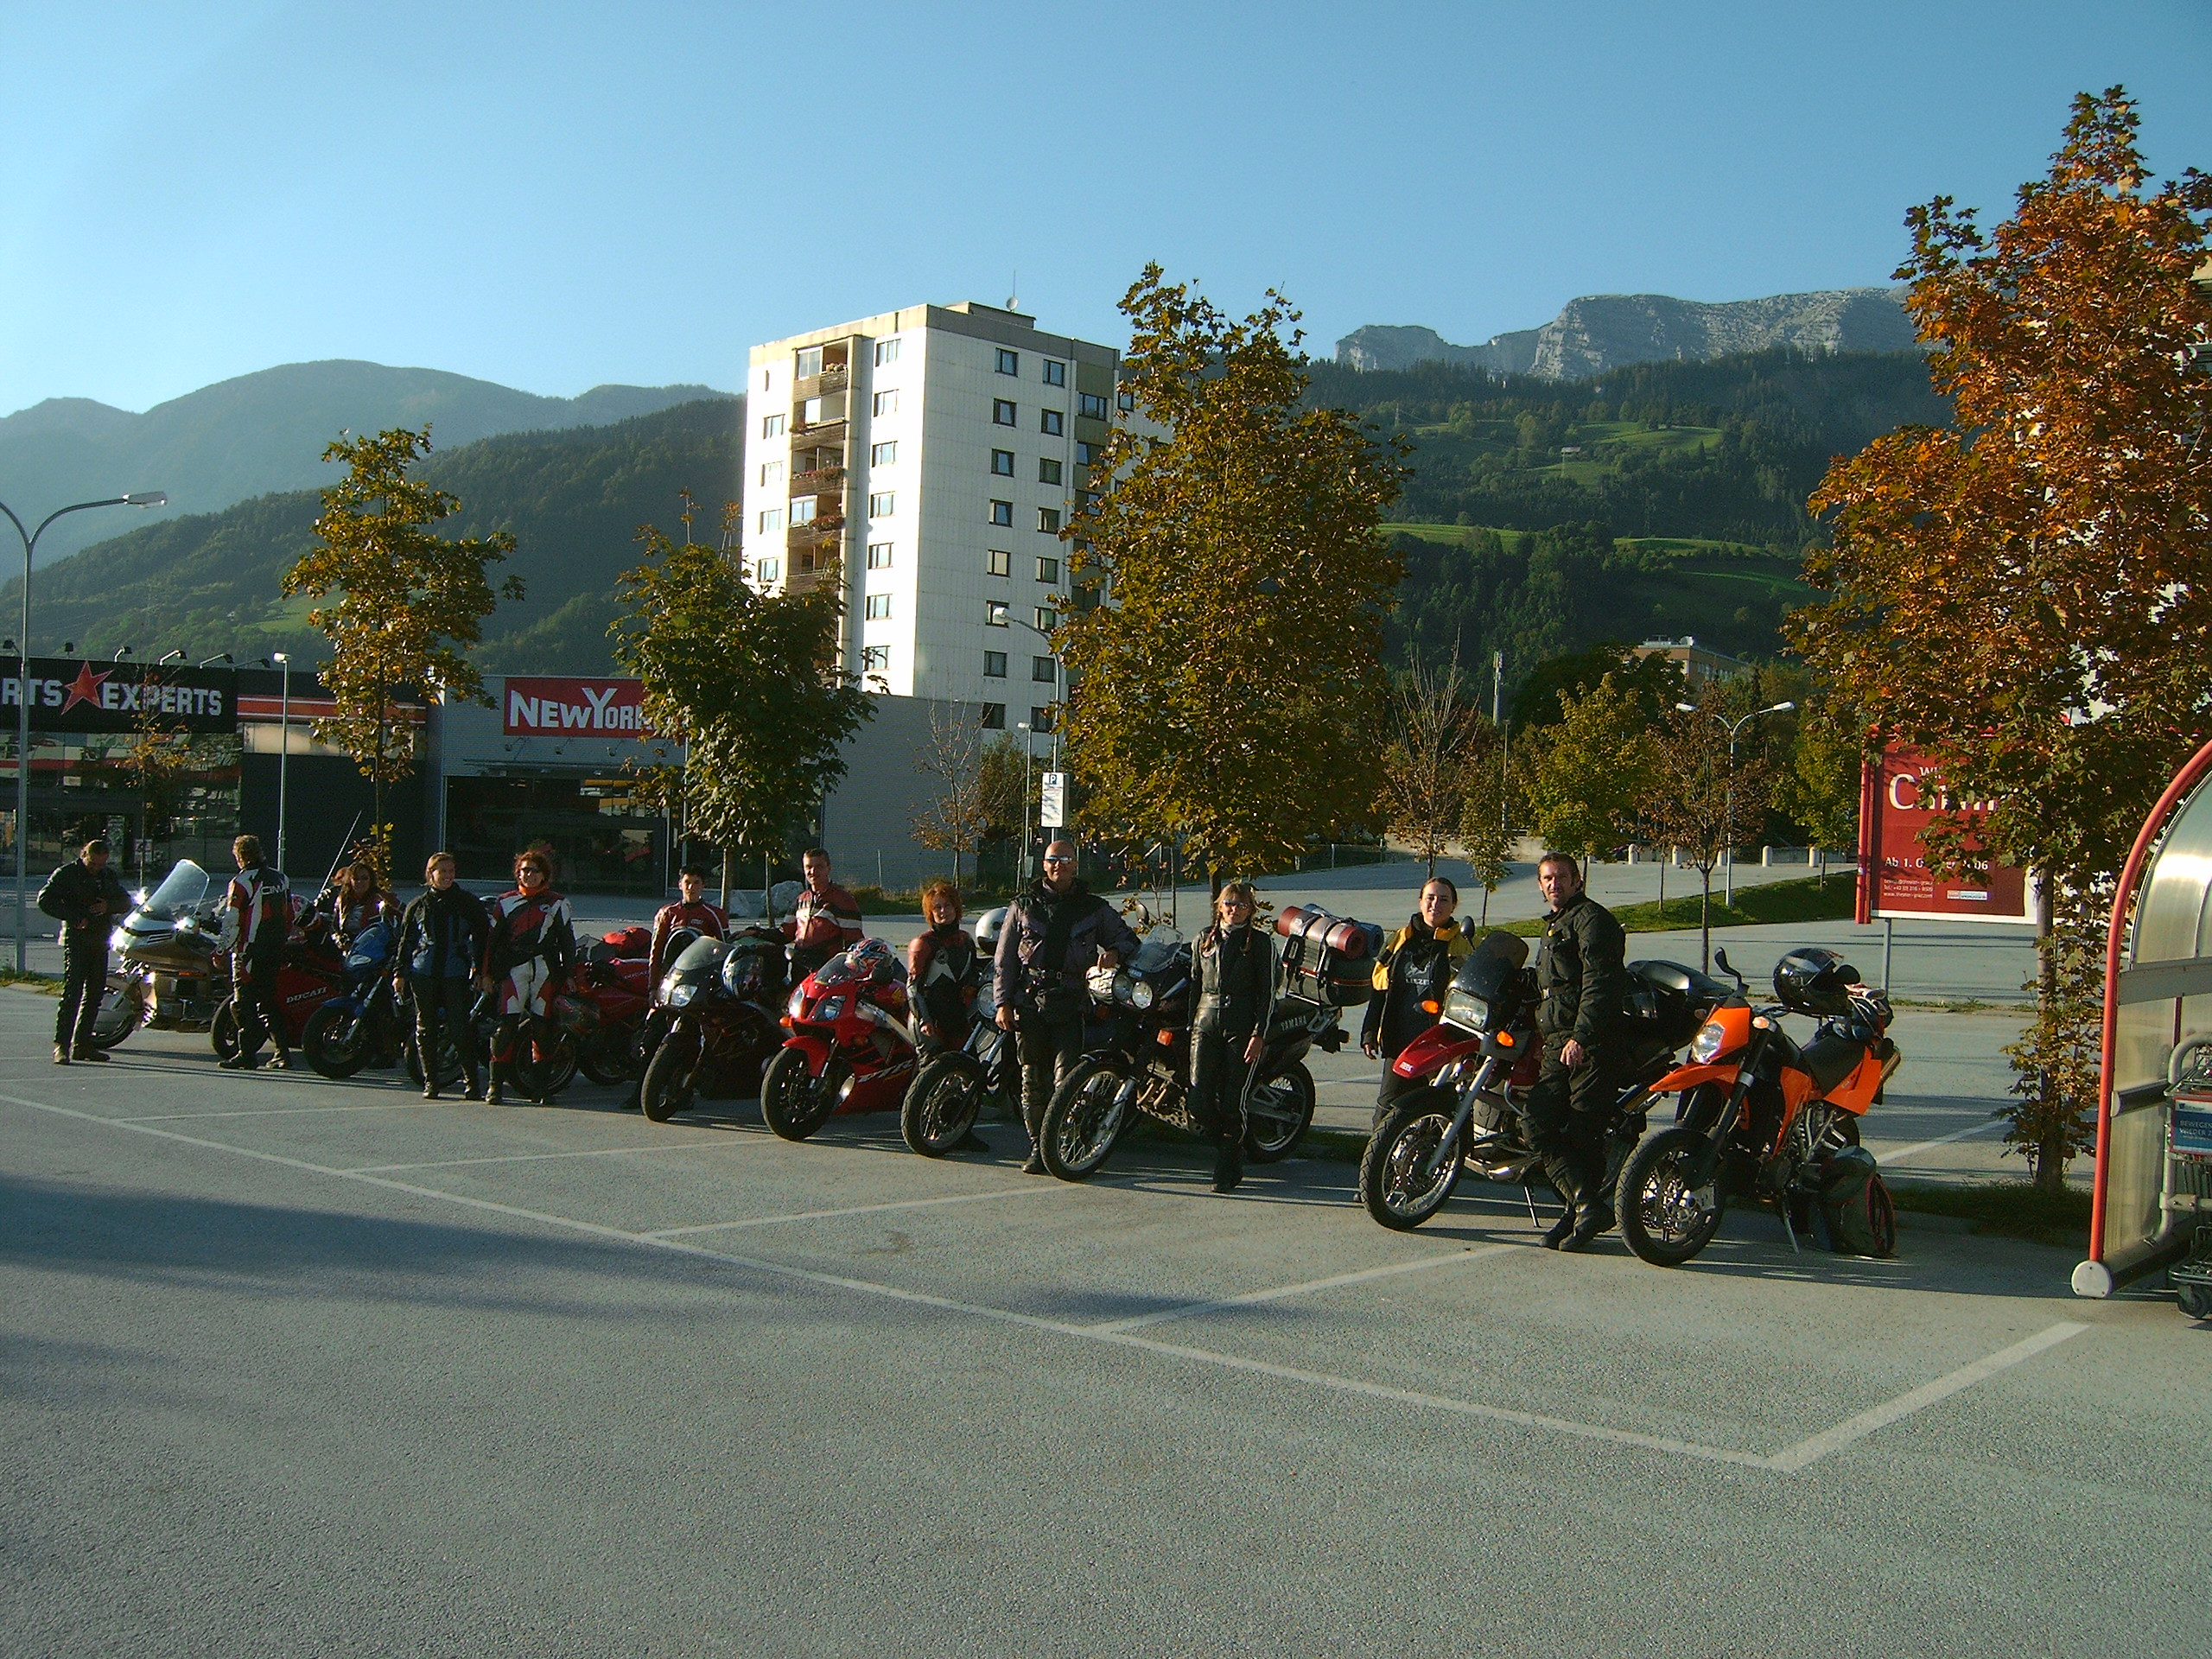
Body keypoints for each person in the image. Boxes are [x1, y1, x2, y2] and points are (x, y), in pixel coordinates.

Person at [995, 839, 1139, 1173]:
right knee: (1032, 1078)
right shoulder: (1023, 905)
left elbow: (1128, 939)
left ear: (1076, 865)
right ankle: (1038, 1148)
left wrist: (1114, 952)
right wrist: (1003, 1002)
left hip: (1072, 999)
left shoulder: (1093, 908)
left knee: (1067, 1080)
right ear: (1043, 865)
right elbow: (1004, 960)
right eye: (1051, 860)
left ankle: (1061, 1143)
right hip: (1030, 999)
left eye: (1064, 859)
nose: (1057, 865)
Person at [1525, 851, 1628, 1251]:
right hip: (1557, 1042)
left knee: (1584, 1134)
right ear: (1540, 885)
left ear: (1577, 880)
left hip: (1590, 1044)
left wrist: (1582, 1037)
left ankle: (1578, 1217)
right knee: (1536, 1125)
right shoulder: (1554, 925)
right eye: (1547, 878)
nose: (1555, 884)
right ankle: (1586, 1206)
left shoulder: (1592, 920)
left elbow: (1600, 983)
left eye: (1562, 877)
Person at [1361, 874, 1472, 1125]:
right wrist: (1369, 1031)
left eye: (1444, 899)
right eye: (1430, 898)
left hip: (1443, 1046)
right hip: (1401, 1041)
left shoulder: (1465, 943)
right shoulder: (1400, 939)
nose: (1436, 904)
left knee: (1438, 1115)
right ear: (1420, 901)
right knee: (1386, 1114)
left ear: (1454, 905)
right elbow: (1379, 986)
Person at [1189, 880, 1272, 1194]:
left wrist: (1258, 1034)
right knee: (1198, 1099)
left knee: (1233, 1100)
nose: (1234, 910)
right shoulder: (1203, 940)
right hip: (1205, 1021)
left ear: (1250, 910)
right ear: (1219, 907)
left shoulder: (1260, 943)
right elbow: (1194, 985)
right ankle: (1230, 1146)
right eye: (1229, 903)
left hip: (1241, 1024)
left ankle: (1226, 1167)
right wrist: (1189, 1026)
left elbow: (1267, 993)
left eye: (1241, 905)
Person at [479, 845, 575, 1105]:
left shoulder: (558, 903)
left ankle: (541, 1089)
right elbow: (491, 942)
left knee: (543, 1029)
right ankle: (495, 1087)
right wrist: (485, 974)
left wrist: (570, 974)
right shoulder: (505, 902)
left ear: (544, 875)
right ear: (517, 873)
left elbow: (567, 941)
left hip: (545, 970)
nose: (529, 875)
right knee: (505, 1028)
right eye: (524, 871)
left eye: (534, 871)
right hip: (513, 969)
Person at [630, 865, 728, 1110]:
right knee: (651, 1038)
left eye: (696, 882)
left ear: (703, 886)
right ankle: (639, 1092)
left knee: (691, 1040)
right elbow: (656, 953)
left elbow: (725, 951)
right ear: (680, 884)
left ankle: (682, 1092)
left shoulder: (713, 914)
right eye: (687, 882)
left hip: (697, 988)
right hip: (669, 985)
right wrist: (652, 988)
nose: (691, 887)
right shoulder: (667, 913)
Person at [394, 852, 489, 1101]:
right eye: (442, 871)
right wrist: (400, 973)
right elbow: (406, 941)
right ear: (431, 874)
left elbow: (482, 939)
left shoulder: (468, 903)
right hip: (423, 972)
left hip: (455, 973)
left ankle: (472, 1083)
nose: (448, 876)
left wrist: (481, 970)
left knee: (460, 1029)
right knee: (425, 1028)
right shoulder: (417, 905)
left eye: (451, 871)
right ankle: (431, 1082)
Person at [908, 879, 990, 1154]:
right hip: (930, 1018)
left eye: (947, 906)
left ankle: (962, 1130)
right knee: (930, 1076)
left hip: (957, 1017)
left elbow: (972, 975)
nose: (943, 912)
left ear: (957, 908)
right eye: (937, 908)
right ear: (930, 913)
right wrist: (924, 1020)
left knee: (970, 1074)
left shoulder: (966, 941)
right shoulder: (923, 944)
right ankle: (924, 1127)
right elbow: (913, 988)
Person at [37, 836, 131, 1064]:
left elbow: (125, 901)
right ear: (84, 855)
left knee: (95, 994)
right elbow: (45, 900)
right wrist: (74, 916)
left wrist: (108, 906)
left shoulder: (107, 876)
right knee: (72, 994)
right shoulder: (67, 874)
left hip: (100, 939)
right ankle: (62, 1046)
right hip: (77, 939)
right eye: (93, 864)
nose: (97, 868)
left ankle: (83, 1044)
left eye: (101, 864)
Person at [217, 833, 295, 1071]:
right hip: (275, 949)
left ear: (240, 856)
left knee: (243, 1004)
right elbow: (289, 914)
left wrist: (220, 950)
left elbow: (232, 920)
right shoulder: (281, 878)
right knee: (269, 1001)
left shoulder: (242, 881)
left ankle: (246, 1054)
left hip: (249, 951)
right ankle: (282, 1053)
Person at [785, 847, 861, 980]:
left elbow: (854, 942)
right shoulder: (801, 900)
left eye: (819, 867)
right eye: (809, 867)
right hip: (800, 970)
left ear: (828, 868)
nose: (813, 871)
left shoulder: (843, 900)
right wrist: (756, 933)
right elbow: (785, 933)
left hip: (827, 972)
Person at [317, 861, 392, 949]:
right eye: (356, 879)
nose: (360, 882)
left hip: (373, 947)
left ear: (371, 880)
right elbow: (335, 928)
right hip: (347, 947)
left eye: (365, 878)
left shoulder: (382, 898)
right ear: (350, 880)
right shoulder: (342, 900)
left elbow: (401, 916)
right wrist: (341, 941)